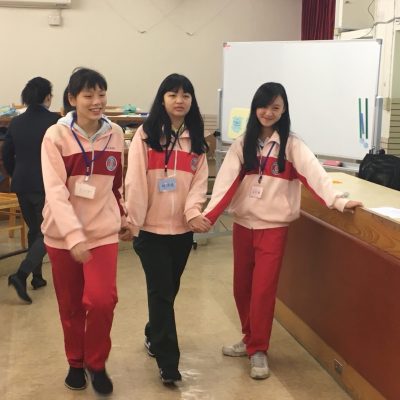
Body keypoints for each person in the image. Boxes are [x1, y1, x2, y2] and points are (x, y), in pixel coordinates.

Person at [203, 82, 362, 380]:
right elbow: (224, 183)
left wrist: (338, 201)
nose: (268, 112)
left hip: (273, 228)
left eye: (275, 107)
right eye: (264, 106)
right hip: (243, 226)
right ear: (255, 108)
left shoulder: (292, 145)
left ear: (284, 110)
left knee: (263, 291)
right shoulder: (242, 144)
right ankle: (249, 338)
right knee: (242, 288)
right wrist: (208, 216)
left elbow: (316, 175)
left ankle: (259, 350)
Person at [41, 67, 131, 395]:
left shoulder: (115, 133)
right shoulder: (56, 136)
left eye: (101, 94)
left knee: (103, 300)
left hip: (102, 233)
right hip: (62, 237)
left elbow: (117, 184)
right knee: (71, 306)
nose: (97, 101)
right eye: (88, 95)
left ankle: (96, 362)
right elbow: (55, 192)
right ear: (72, 98)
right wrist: (73, 236)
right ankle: (76, 362)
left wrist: (124, 215)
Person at [125, 73, 211, 384]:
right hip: (150, 232)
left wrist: (192, 212)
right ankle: (168, 362)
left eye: (186, 95)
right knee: (161, 292)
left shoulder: (196, 140)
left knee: (168, 290)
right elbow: (135, 182)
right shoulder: (145, 136)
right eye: (173, 94)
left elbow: (199, 184)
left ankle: (153, 333)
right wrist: (133, 223)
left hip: (182, 232)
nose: (180, 100)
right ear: (162, 99)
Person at [2, 77, 59, 304]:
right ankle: (21, 274)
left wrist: (15, 173)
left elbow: (6, 154)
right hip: (45, 185)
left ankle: (37, 277)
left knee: (36, 230)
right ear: (47, 97)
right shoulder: (55, 121)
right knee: (49, 232)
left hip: (21, 184)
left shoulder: (16, 122)